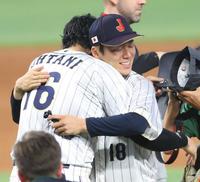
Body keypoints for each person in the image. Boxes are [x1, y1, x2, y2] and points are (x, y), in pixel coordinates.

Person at [10, 14, 198, 182]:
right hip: (75, 172)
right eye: (116, 48)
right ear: (94, 52)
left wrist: (86, 124)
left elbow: (140, 128)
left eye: (130, 45)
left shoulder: (139, 84)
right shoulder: (88, 77)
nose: (127, 53)